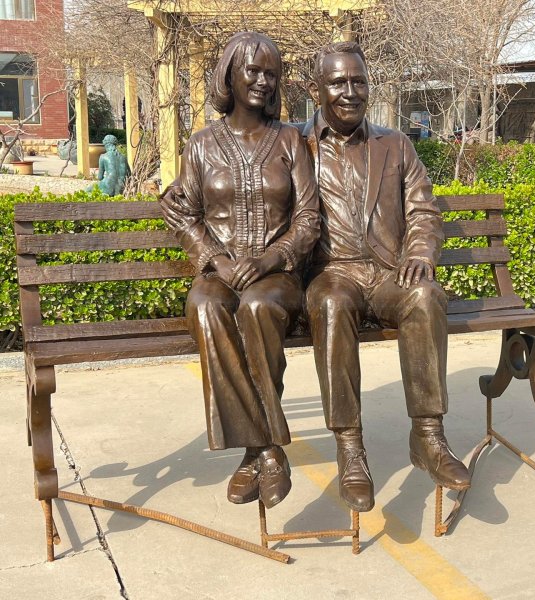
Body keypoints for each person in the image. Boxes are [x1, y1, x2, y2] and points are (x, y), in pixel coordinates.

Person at [300, 41, 470, 513]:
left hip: (388, 270)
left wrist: (418, 251)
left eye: (359, 81)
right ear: (318, 90)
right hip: (332, 274)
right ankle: (350, 448)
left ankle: (428, 438)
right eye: (338, 82)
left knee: (424, 296)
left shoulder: (395, 143)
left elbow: (423, 210)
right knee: (331, 305)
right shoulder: (295, 143)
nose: (350, 91)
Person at [159, 32, 320, 509]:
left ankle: (255, 450)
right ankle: (270, 448)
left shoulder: (290, 140)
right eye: (252, 70)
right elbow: (182, 210)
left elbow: (309, 219)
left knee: (257, 306)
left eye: (271, 72)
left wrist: (270, 258)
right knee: (205, 305)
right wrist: (215, 258)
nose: (263, 81)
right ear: (229, 73)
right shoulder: (203, 144)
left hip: (277, 273)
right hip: (220, 268)